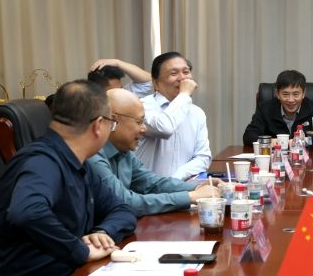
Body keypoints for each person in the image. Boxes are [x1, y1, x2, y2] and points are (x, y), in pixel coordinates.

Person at [0, 80, 136, 276]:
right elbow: (26, 212)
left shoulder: (79, 162)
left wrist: (102, 233)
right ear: (98, 125)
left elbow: (122, 210)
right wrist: (79, 250)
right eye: (111, 123)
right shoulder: (42, 162)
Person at [90, 88, 219, 217]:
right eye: (139, 122)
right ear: (114, 121)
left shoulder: (124, 151)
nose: (143, 129)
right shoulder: (93, 155)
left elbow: (153, 184)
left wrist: (198, 187)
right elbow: (124, 202)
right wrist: (190, 197)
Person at [135, 52, 211, 180]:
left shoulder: (197, 113)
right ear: (156, 83)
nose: (182, 78)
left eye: (186, 72)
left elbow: (203, 157)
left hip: (182, 187)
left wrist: (175, 179)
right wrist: (184, 94)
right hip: (146, 189)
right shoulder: (141, 106)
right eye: (173, 73)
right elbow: (164, 128)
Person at [242, 70, 313, 145]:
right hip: (275, 157)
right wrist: (271, 142)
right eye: (285, 94)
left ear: (303, 94)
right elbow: (249, 136)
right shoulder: (265, 108)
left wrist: (301, 142)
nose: (291, 100)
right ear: (277, 94)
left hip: (305, 158)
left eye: (296, 94)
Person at [88, 58, 154, 98]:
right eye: (114, 91)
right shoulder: (88, 111)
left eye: (121, 88)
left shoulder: (124, 95)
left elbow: (147, 80)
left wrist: (117, 63)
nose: (120, 93)